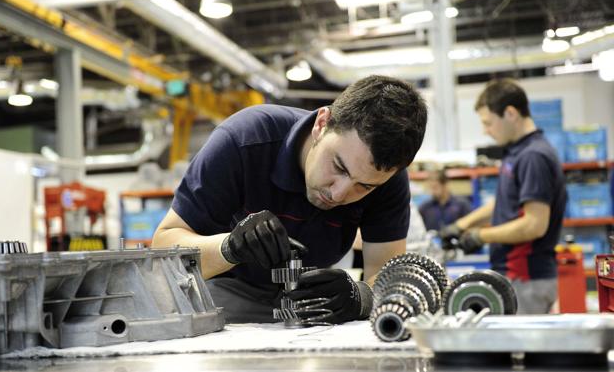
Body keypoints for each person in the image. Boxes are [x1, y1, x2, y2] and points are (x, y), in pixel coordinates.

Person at [152, 75, 428, 324]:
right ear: (322, 124)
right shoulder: (243, 141)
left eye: (364, 186)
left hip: (308, 308)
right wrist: (230, 248)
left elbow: (385, 272)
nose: (339, 194)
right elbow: (164, 250)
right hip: (221, 301)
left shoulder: (387, 179)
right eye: (339, 168)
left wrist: (361, 296)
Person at [440, 78, 566, 314]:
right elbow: (504, 201)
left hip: (526, 278)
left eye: (488, 123)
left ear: (510, 113)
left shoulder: (533, 156)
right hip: (514, 276)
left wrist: (480, 236)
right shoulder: (517, 152)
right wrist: (461, 225)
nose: (485, 131)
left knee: (519, 350)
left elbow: (535, 225)